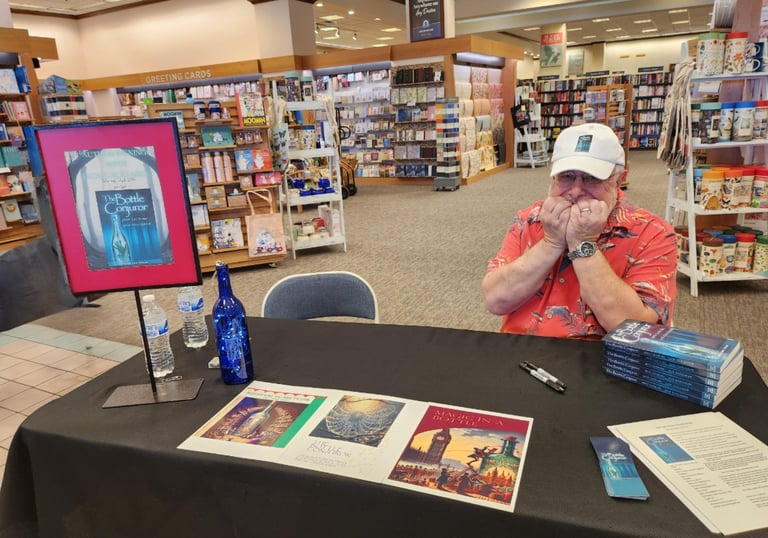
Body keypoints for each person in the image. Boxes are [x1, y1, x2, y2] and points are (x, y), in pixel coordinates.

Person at [482, 123, 677, 339]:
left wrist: (583, 244)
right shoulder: (528, 219)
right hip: (523, 352)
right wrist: (551, 243)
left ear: (619, 180)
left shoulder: (652, 233)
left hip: (602, 361)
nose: (576, 190)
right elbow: (495, 300)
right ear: (552, 178)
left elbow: (636, 332)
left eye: (591, 178)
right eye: (566, 176)